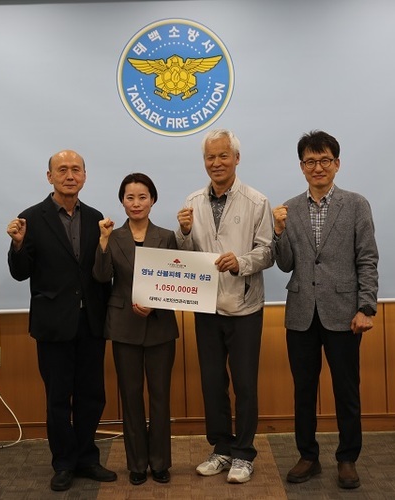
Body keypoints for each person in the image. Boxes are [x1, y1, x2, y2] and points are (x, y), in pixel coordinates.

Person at [272, 130, 379, 489]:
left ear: (337, 163)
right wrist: (278, 232)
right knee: (303, 391)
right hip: (301, 313)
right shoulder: (289, 208)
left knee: (347, 390)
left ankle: (347, 458)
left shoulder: (356, 204)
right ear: (301, 166)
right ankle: (308, 456)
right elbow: (285, 264)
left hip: (345, 313)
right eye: (310, 161)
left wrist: (366, 307)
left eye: (324, 160)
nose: (317, 167)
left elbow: (367, 259)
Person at [6, 150, 117, 492]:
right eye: (63, 170)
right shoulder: (30, 218)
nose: (70, 175)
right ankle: (64, 462)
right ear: (49, 176)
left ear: (85, 175)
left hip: (91, 322)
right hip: (53, 323)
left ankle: (87, 457)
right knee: (58, 398)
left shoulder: (96, 218)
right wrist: (17, 246)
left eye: (76, 170)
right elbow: (20, 273)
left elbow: (101, 273)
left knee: (91, 395)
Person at [175, 128, 274, 484]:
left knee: (244, 384)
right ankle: (221, 448)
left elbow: (268, 252)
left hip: (244, 306)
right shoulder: (192, 202)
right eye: (210, 157)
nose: (216, 163)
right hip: (205, 307)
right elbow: (185, 258)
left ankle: (243, 453)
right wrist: (184, 233)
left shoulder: (257, 201)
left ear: (236, 158)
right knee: (212, 382)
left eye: (223, 156)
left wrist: (241, 262)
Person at [92, 172, 179, 486]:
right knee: (130, 397)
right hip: (124, 326)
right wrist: (102, 242)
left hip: (160, 326)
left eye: (142, 197)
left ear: (152, 200)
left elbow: (173, 280)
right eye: (130, 197)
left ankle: (160, 463)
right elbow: (102, 277)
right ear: (122, 201)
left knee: (160, 397)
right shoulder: (112, 237)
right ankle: (138, 464)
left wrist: (156, 303)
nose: (136, 203)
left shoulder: (167, 236)